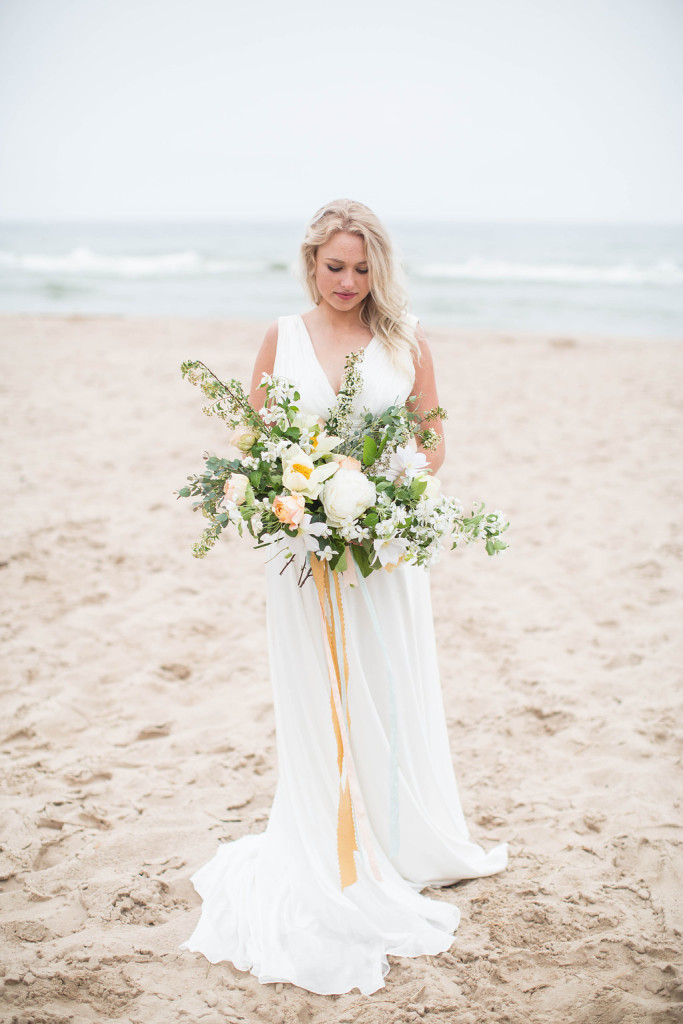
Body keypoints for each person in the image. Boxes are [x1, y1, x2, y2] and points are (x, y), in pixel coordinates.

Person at [179, 199, 507, 996]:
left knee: (388, 689)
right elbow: (254, 438)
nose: (348, 282)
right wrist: (293, 496)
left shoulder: (404, 339)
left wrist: (392, 494)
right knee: (316, 695)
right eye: (335, 267)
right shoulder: (280, 337)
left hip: (385, 552)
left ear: (379, 270)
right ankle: (329, 841)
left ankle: (397, 839)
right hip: (303, 550)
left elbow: (430, 440)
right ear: (310, 263)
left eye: (362, 269)